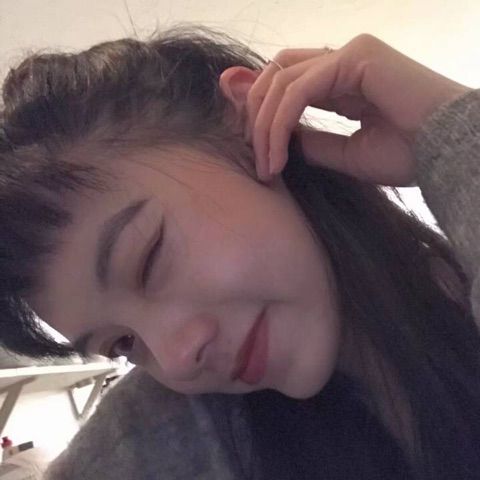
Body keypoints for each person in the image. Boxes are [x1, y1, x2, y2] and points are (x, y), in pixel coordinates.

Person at [1, 24, 479, 479]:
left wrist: (453, 129)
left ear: (248, 124)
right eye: (123, 344)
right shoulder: (152, 442)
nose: (176, 359)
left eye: (149, 260)